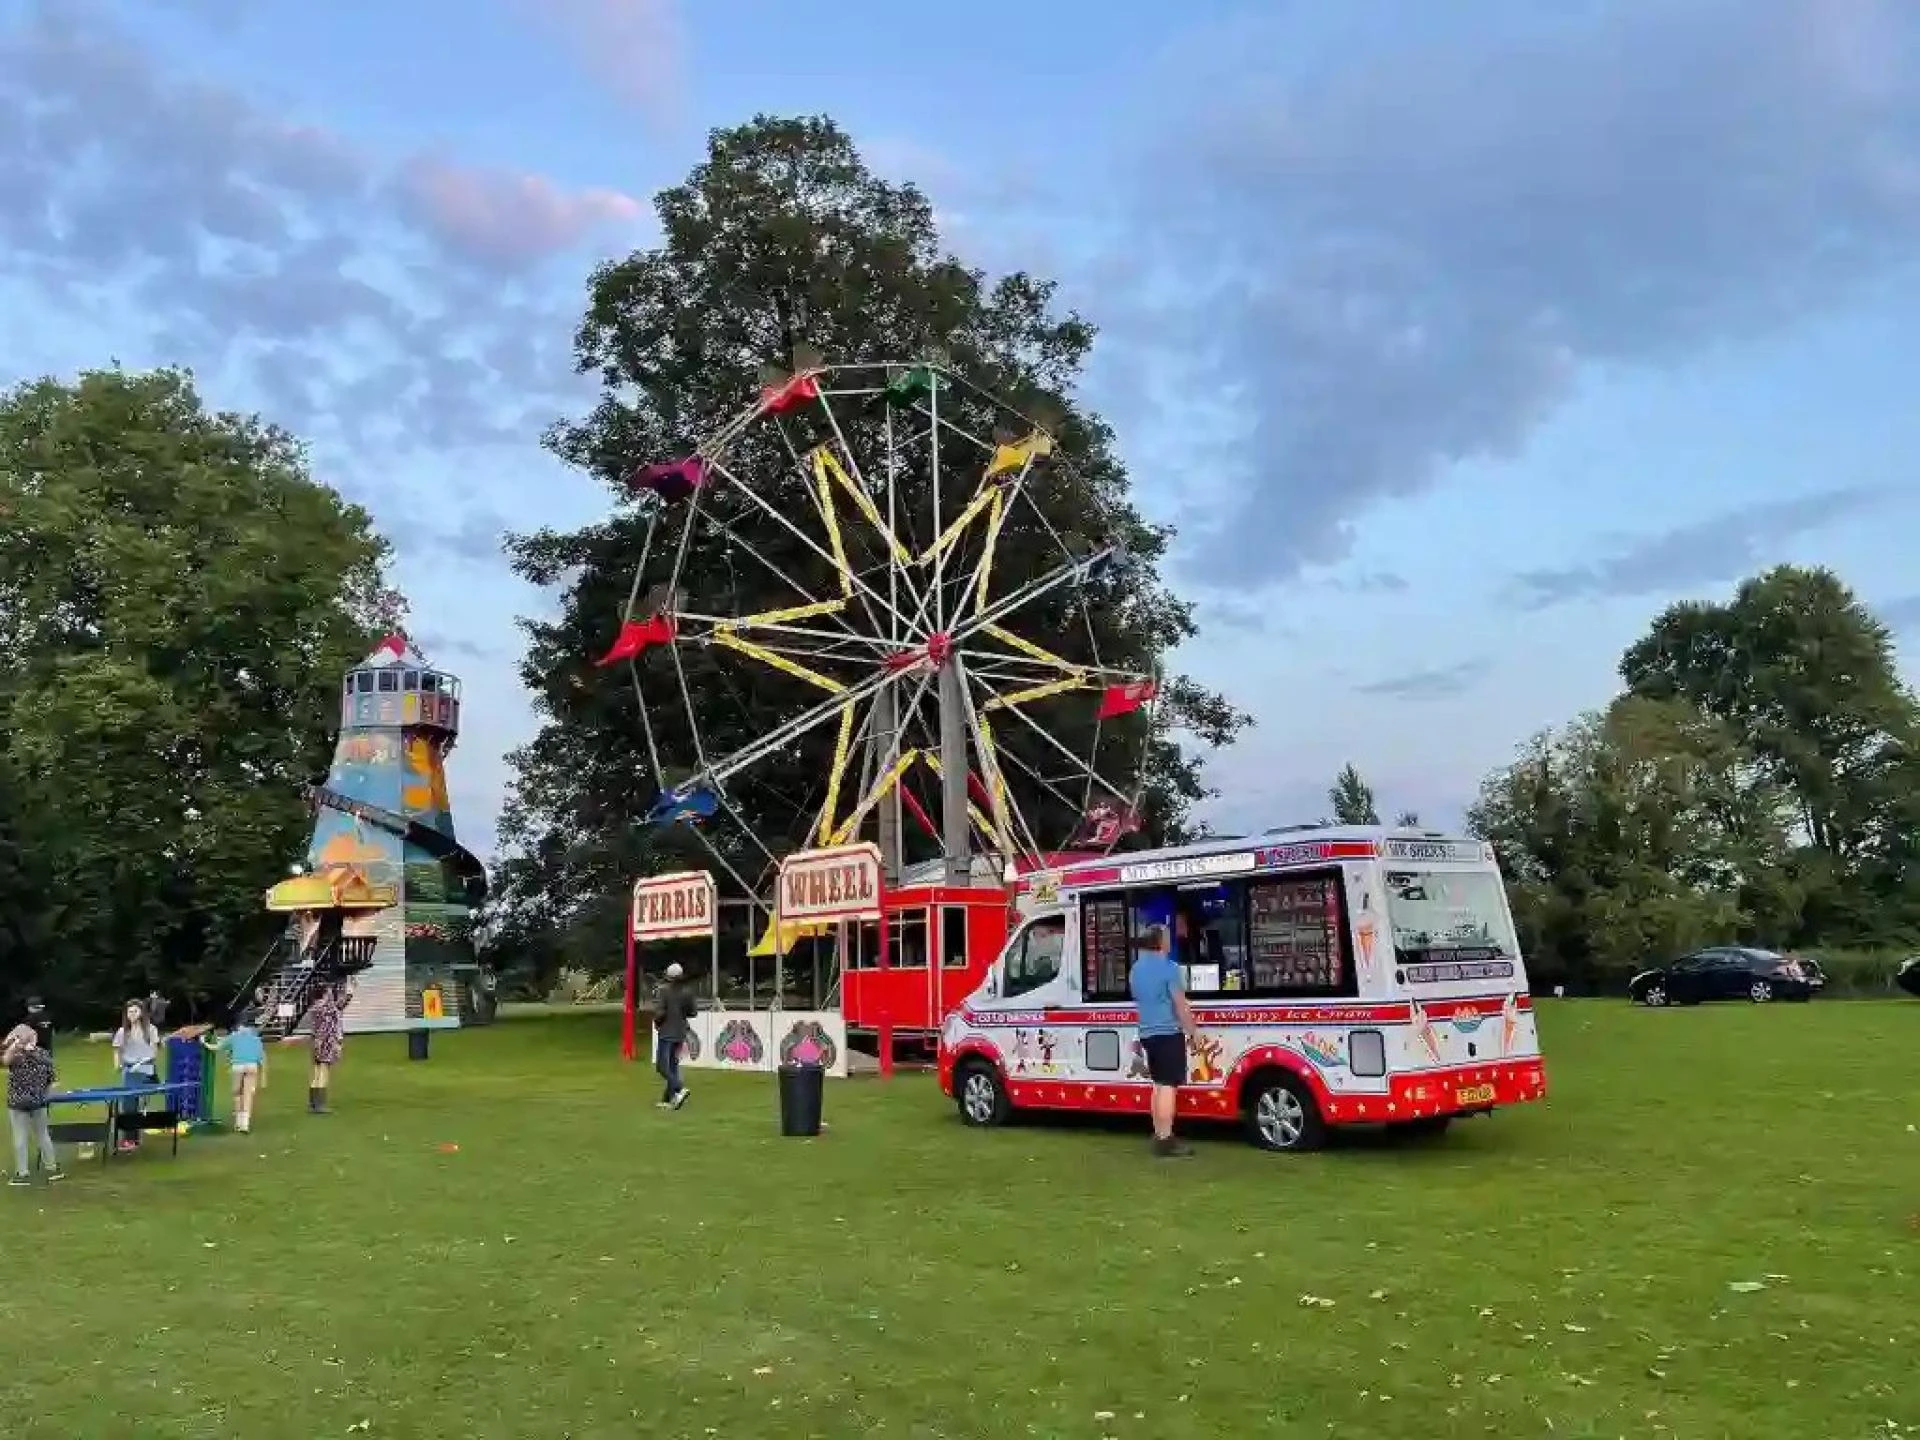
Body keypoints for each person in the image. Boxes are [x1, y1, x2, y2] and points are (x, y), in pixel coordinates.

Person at [1130, 901, 1199, 1159]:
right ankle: (1166, 1139)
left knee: (1158, 1084)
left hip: (1147, 1033)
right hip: (1168, 1032)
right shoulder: (1170, 968)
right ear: (1160, 942)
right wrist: (1193, 1031)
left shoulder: (1136, 969)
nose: (1170, 941)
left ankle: (1159, 1134)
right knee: (1169, 1085)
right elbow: (1180, 1004)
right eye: (1167, 937)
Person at [3, 1023, 65, 1186]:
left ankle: (22, 1173)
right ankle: (52, 1167)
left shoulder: (16, 1055)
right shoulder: (43, 1054)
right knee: (43, 1135)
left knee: (20, 1137)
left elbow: (5, 1060)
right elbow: (51, 1078)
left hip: (17, 1102)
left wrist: (14, 1046)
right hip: (38, 1101)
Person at [203, 1009, 268, 1134]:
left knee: (237, 1093)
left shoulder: (234, 1036)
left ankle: (238, 1122)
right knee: (248, 1095)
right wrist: (263, 1076)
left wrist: (204, 1043)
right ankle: (245, 1124)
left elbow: (216, 1047)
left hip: (238, 1066)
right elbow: (262, 1057)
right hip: (252, 1066)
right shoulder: (255, 1038)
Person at [111, 998, 162, 1153]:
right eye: (129, 1012)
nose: (132, 1014)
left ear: (141, 1013)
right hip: (130, 1071)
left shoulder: (150, 1029)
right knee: (128, 1105)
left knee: (133, 1102)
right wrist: (117, 1064)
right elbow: (116, 1050)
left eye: (135, 1011)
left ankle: (131, 1138)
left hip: (146, 1069)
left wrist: (143, 1061)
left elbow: (154, 1051)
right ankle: (131, 1138)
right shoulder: (122, 1032)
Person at [652, 962, 697, 1110]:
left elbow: (660, 1012)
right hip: (680, 1032)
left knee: (661, 1067)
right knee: (672, 1065)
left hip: (667, 1032)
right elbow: (693, 1012)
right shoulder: (687, 992)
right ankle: (669, 1099)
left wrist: (657, 1022)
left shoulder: (663, 990)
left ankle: (679, 1088)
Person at [305, 980, 351, 1114]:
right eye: (328, 991)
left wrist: (349, 994)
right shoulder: (326, 1008)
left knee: (317, 1071)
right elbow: (339, 1006)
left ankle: (313, 1103)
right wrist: (349, 993)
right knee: (323, 1072)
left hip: (316, 1041)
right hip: (325, 1042)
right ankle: (320, 1105)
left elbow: (339, 1006)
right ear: (325, 994)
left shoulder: (315, 1008)